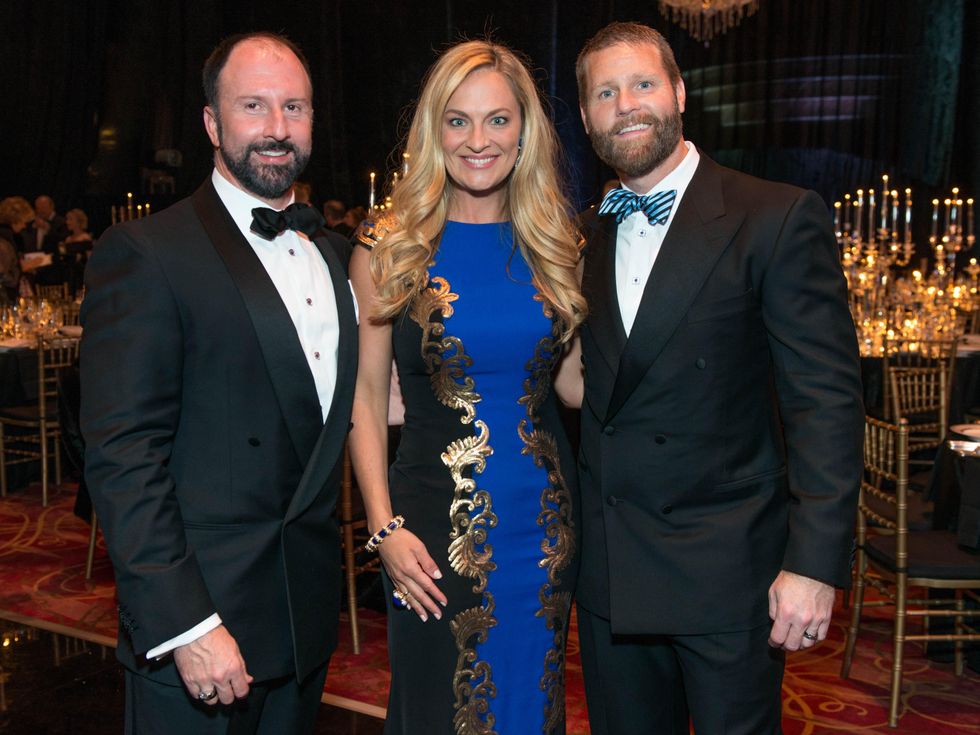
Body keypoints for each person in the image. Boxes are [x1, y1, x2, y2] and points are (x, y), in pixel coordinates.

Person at [574, 22, 864, 735]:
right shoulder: (580, 233)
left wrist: (815, 564)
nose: (626, 105)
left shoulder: (775, 216)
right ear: (585, 117)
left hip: (732, 577)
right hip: (613, 574)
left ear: (677, 91)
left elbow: (824, 401)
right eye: (605, 92)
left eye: (642, 83)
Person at [80, 32, 357, 733]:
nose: (276, 128)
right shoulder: (147, 253)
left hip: (303, 626)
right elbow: (122, 455)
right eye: (253, 106)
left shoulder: (336, 256)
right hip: (204, 635)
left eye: (294, 107)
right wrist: (186, 624)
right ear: (212, 122)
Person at [348, 39, 586, 734]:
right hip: (426, 533)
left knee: (531, 705)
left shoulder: (555, 244)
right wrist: (382, 526)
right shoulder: (388, 247)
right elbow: (365, 398)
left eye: (498, 120)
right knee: (433, 708)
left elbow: (571, 387)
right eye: (458, 121)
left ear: (525, 131)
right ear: (433, 132)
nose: (478, 140)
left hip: (543, 533)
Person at [0, 196, 33, 304]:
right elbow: (3, 274)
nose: (24, 226)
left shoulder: (7, 238)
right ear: (15, 219)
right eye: (23, 221)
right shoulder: (4, 240)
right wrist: (20, 269)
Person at [59, 208, 94, 296]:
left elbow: (90, 260)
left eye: (70, 219)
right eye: (67, 219)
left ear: (78, 221)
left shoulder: (85, 238)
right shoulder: (68, 239)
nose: (67, 222)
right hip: (68, 275)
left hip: (80, 275)